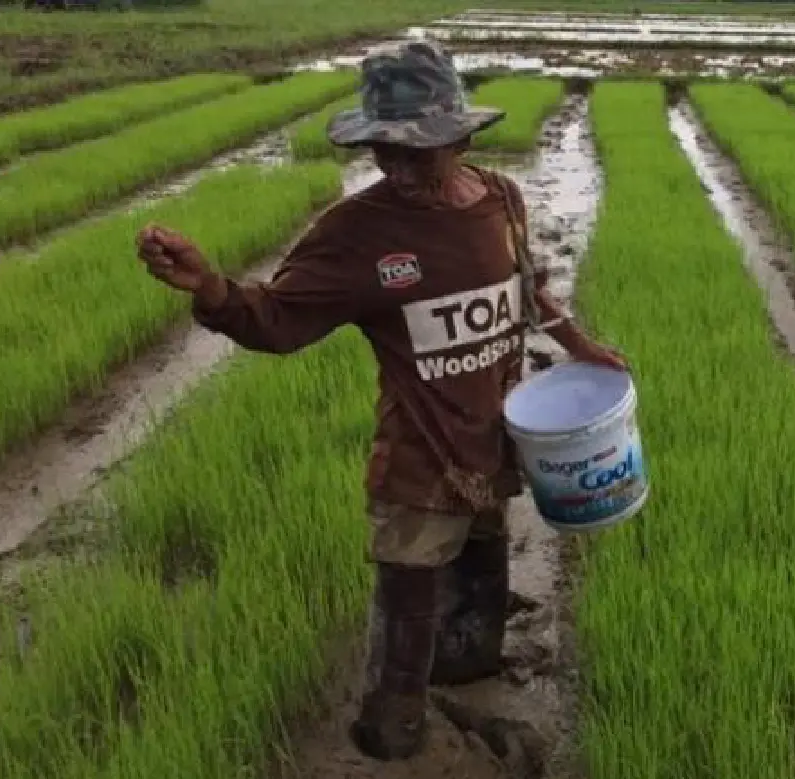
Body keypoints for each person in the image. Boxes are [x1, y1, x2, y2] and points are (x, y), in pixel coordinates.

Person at [135, 40, 625, 762]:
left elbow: (530, 288)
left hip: (493, 443)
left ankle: (470, 671)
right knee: (407, 617)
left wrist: (578, 342)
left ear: (459, 137)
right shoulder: (358, 234)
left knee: (482, 579)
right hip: (418, 467)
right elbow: (275, 319)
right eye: (383, 151)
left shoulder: (500, 199)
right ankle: (391, 732)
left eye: (416, 151)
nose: (397, 168)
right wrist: (210, 286)